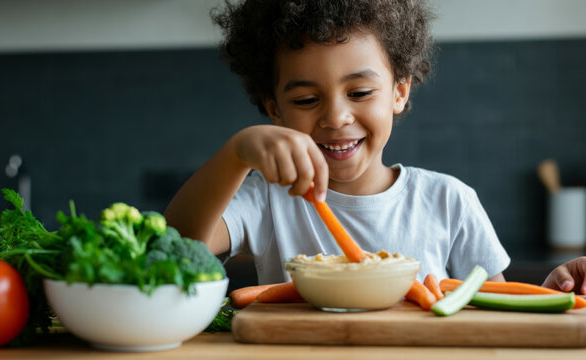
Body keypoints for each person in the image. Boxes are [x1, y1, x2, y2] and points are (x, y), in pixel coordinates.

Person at [165, 0, 513, 286]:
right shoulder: (267, 199)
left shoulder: (450, 202)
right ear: (274, 109)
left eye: (360, 93)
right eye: (305, 100)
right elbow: (177, 246)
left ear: (399, 92)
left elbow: (500, 313)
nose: (335, 117)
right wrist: (236, 153)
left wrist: (559, 287)